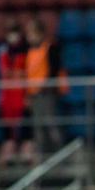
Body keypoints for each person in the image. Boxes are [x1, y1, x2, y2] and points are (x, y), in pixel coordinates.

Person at [23, 18, 67, 160]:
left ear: (40, 33)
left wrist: (43, 88)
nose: (29, 37)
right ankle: (42, 161)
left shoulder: (50, 48)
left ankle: (60, 159)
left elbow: (53, 71)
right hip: (35, 96)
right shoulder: (30, 51)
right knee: (38, 130)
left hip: (48, 95)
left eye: (31, 33)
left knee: (52, 126)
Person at [0, 22, 29, 166]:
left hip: (22, 94)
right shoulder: (4, 50)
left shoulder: (25, 50)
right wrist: (18, 73)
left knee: (24, 126)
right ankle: (7, 158)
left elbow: (27, 72)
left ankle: (26, 157)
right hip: (7, 95)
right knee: (8, 128)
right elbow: (5, 72)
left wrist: (18, 74)